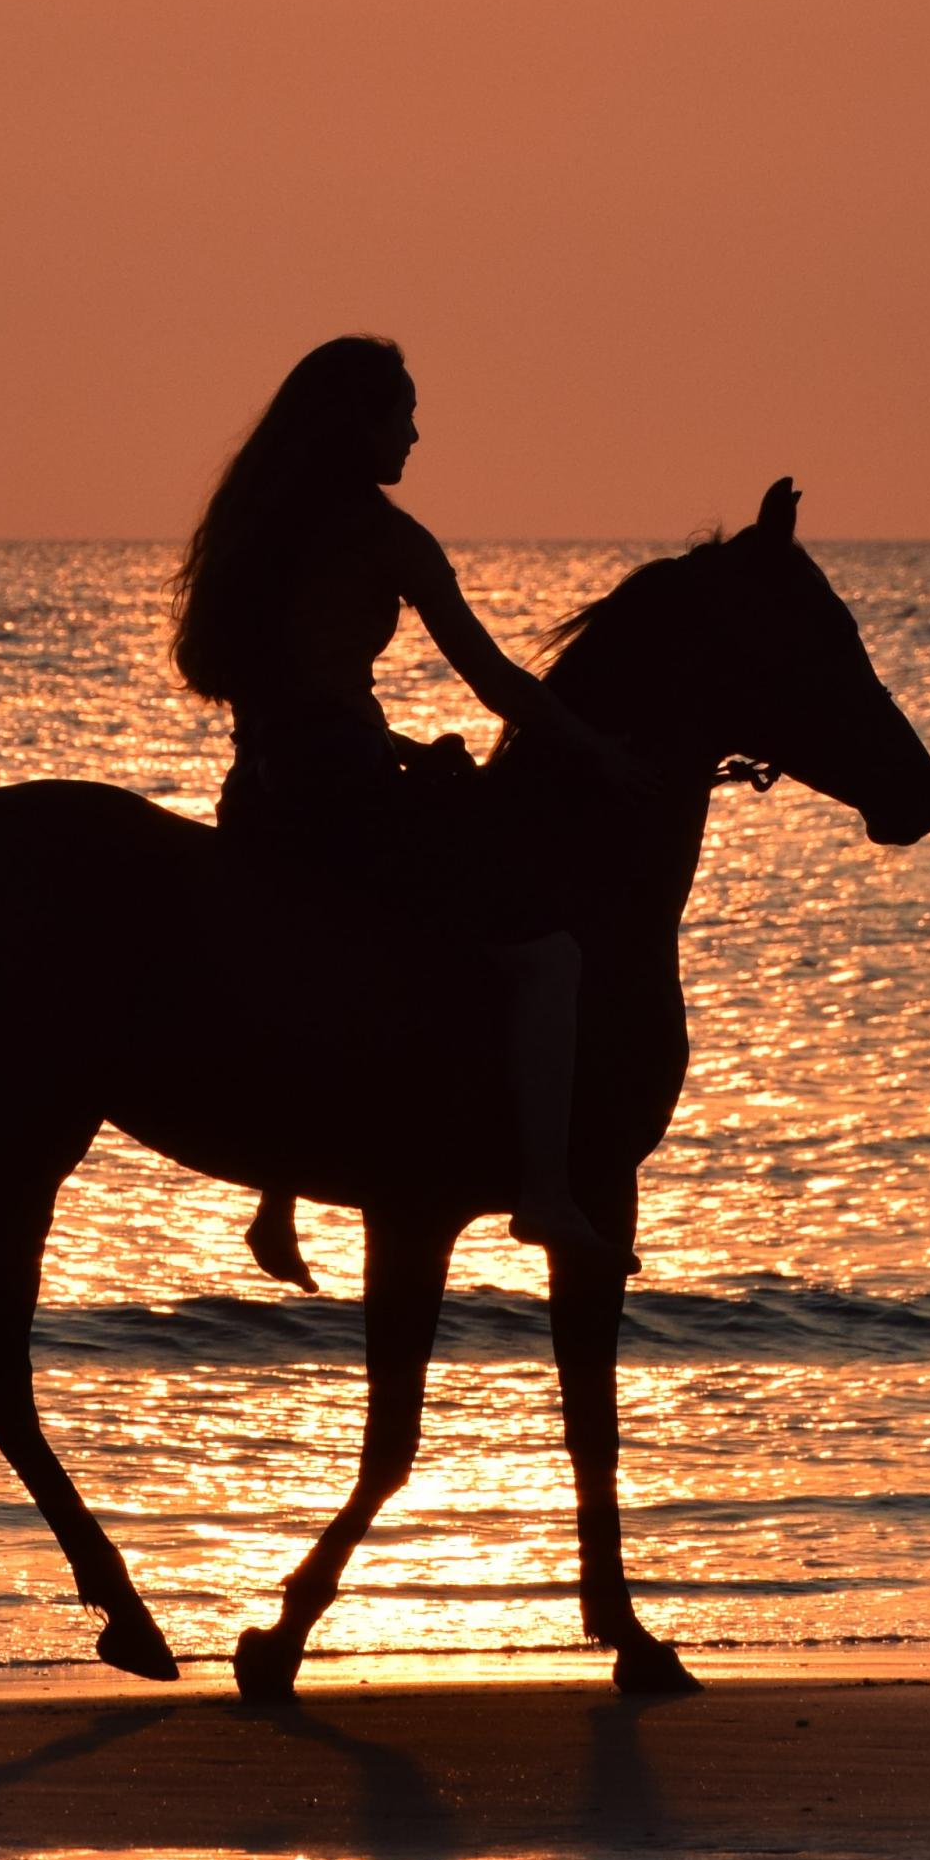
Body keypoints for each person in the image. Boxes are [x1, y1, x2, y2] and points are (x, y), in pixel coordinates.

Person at [172, 335, 644, 1280]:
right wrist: (594, 748)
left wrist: (396, 747)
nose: (417, 434)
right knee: (548, 958)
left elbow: (279, 700)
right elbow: (495, 681)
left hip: (258, 796)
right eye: (405, 414)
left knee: (320, 956)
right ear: (362, 424)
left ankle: (278, 1193)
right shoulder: (385, 537)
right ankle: (545, 1194)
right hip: (342, 800)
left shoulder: (255, 526)